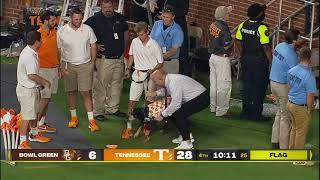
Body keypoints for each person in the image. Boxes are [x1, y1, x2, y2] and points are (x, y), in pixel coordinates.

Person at [85, 0, 129, 121]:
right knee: (100, 85)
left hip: (118, 58)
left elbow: (126, 34)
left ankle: (112, 108)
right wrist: (94, 45)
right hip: (104, 59)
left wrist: (123, 51)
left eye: (110, 7)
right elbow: (83, 34)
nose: (108, 9)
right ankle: (98, 111)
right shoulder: (94, 20)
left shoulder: (120, 18)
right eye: (105, 7)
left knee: (116, 84)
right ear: (101, 7)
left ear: (113, 6)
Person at [57, 8, 99, 131]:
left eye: (81, 19)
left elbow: (93, 45)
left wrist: (92, 62)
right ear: (71, 18)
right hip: (68, 65)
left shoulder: (87, 29)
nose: (79, 21)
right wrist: (60, 66)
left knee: (86, 92)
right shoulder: (62, 31)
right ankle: (73, 118)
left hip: (85, 65)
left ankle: (91, 121)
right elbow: (59, 50)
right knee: (71, 92)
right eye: (76, 19)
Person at [146, 70, 209, 149]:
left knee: (178, 113)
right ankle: (186, 135)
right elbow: (169, 90)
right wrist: (155, 93)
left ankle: (187, 143)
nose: (155, 84)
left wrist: (161, 115)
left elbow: (176, 104)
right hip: (197, 97)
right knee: (172, 113)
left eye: (155, 81)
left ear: (160, 79)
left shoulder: (173, 82)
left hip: (202, 98)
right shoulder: (169, 80)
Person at [122, 21, 164, 139]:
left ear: (147, 32)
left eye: (142, 35)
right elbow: (131, 56)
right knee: (132, 101)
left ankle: (147, 126)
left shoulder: (155, 45)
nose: (139, 38)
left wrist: (152, 70)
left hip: (151, 76)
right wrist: (128, 69)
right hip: (138, 74)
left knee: (149, 102)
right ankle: (128, 128)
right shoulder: (135, 42)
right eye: (138, 35)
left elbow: (160, 63)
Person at [235, 3, 272, 121]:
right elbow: (266, 47)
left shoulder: (242, 24)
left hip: (246, 59)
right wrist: (271, 62)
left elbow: (237, 40)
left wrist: (242, 53)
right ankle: (256, 115)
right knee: (259, 87)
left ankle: (245, 113)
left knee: (247, 86)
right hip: (259, 61)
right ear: (260, 15)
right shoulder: (262, 28)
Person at [16, 31, 51, 149]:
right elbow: (32, 75)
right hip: (27, 91)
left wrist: (39, 85)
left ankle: (34, 134)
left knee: (34, 114)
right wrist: (44, 82)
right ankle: (22, 143)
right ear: (37, 42)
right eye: (40, 40)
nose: (41, 42)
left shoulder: (31, 52)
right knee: (26, 116)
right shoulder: (29, 55)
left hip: (32, 88)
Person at [269, 29, 300, 149]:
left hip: (273, 82)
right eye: (298, 37)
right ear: (294, 40)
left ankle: (275, 141)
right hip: (282, 86)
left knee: (280, 112)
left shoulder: (279, 46)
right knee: (285, 116)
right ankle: (284, 146)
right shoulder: (292, 55)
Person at [287, 47, 316, 150]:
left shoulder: (291, 70)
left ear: (299, 56)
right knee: (301, 132)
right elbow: (310, 96)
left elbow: (289, 86)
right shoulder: (309, 76)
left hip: (290, 104)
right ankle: (298, 157)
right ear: (309, 58)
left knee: (294, 129)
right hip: (300, 107)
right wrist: (310, 109)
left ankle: (291, 151)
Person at [36, 10, 59, 133]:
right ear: (45, 21)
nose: (54, 22)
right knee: (43, 99)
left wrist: (59, 66)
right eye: (52, 20)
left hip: (54, 70)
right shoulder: (38, 35)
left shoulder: (54, 32)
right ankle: (34, 128)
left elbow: (57, 51)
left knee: (47, 99)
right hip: (43, 71)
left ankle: (41, 123)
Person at [208, 6, 233, 117]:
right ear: (224, 16)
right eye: (228, 13)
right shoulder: (224, 27)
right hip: (221, 59)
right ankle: (222, 111)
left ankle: (213, 107)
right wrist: (234, 39)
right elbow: (227, 46)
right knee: (224, 85)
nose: (229, 15)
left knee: (214, 84)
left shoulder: (213, 24)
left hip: (213, 57)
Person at [156, 0, 190, 76]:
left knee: (180, 51)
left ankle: (180, 75)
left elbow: (184, 9)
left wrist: (169, 14)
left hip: (177, 21)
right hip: (165, 21)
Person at [150, 5, 184, 74]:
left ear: (173, 17)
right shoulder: (157, 24)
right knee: (153, 83)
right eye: (163, 16)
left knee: (168, 84)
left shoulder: (178, 30)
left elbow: (173, 51)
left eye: (168, 17)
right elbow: (151, 41)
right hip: (156, 60)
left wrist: (160, 58)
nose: (165, 19)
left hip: (170, 63)